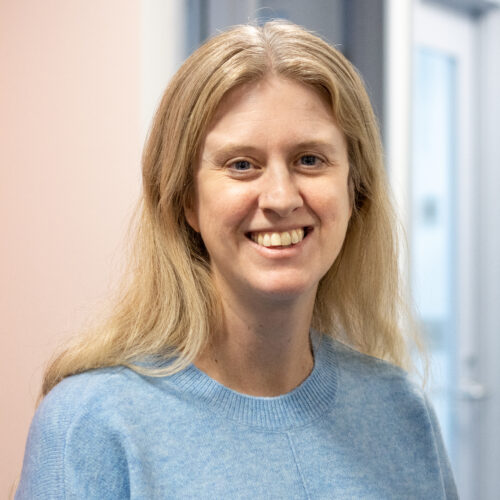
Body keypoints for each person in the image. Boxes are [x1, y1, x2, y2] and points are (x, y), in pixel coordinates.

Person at [16, 21, 458, 499]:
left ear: (356, 190)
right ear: (186, 200)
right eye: (241, 165)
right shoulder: (92, 424)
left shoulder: (400, 412)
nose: (281, 197)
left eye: (310, 159)